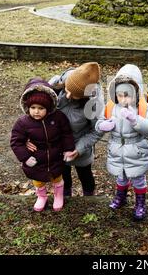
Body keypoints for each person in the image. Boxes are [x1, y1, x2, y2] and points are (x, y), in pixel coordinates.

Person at [27, 62, 104, 197]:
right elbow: (34, 111)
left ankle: (89, 199)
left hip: (79, 147)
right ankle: (65, 195)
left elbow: (97, 130)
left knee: (85, 175)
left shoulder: (93, 105)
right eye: (66, 89)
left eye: (74, 95)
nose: (67, 96)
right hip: (56, 146)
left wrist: (79, 149)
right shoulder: (54, 86)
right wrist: (28, 137)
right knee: (63, 175)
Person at [95, 64, 148, 221]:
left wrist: (136, 120)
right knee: (121, 176)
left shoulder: (144, 108)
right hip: (117, 149)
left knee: (137, 177)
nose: (123, 99)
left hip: (136, 149)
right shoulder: (110, 107)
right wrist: (102, 125)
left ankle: (140, 203)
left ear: (136, 92)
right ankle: (120, 197)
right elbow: (99, 122)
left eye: (127, 95)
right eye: (120, 95)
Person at [10, 78, 75, 212]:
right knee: (38, 180)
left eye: (41, 108)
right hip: (36, 158)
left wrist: (68, 149)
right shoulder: (23, 122)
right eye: (33, 108)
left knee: (57, 178)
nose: (36, 111)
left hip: (55, 156)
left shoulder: (58, 117)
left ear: (48, 107)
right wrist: (25, 157)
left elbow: (66, 133)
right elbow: (16, 141)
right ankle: (41, 196)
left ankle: (58, 195)